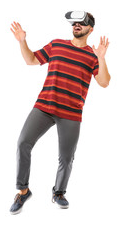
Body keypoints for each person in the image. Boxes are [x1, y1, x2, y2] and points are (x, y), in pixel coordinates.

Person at [9, 11, 111, 214]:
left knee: (66, 158)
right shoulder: (56, 44)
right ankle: (23, 191)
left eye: (82, 23)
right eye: (74, 23)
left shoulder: (93, 56)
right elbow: (31, 60)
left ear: (91, 29)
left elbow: (104, 82)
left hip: (71, 113)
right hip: (44, 107)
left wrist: (101, 58)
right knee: (23, 143)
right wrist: (22, 41)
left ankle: (59, 193)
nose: (76, 26)